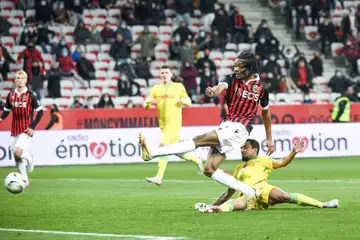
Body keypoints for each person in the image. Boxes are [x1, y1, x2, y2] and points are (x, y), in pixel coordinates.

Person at [139, 51, 275, 209]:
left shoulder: (261, 88)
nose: (236, 69)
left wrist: (269, 138)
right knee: (209, 169)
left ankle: (152, 153)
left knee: (199, 140)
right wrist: (213, 91)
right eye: (235, 65)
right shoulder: (231, 78)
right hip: (227, 125)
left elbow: (266, 114)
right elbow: (220, 88)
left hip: (239, 128)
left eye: (240, 66)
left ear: (249, 68)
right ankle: (252, 194)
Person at [195, 139, 339, 213]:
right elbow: (229, 192)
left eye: (245, 148)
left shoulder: (263, 160)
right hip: (247, 196)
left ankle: (324, 204)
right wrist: (213, 204)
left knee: (286, 197)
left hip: (263, 188)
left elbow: (282, 162)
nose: (242, 150)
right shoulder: (238, 168)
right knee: (232, 205)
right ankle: (211, 210)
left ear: (254, 150)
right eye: (241, 148)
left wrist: (293, 152)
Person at [140, 65, 204, 186]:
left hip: (174, 123)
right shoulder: (156, 88)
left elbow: (189, 102)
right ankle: (197, 159)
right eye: (162, 72)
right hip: (163, 125)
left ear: (171, 74)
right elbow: (146, 104)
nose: (164, 74)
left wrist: (182, 102)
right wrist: (148, 103)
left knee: (163, 148)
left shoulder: (178, 87)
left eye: (166, 72)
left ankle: (159, 177)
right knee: (175, 151)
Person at [0, 70, 44, 187]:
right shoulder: (10, 95)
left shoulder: (30, 95)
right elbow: (6, 111)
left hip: (26, 129)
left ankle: (29, 158)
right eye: (17, 78)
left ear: (25, 80)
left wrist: (32, 127)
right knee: (16, 157)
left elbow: (40, 112)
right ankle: (25, 179)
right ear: (15, 80)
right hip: (14, 129)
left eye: (22, 78)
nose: (19, 80)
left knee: (17, 151)